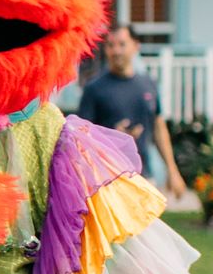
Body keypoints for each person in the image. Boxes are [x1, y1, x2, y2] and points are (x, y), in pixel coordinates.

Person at [78, 23, 187, 197]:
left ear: (136, 46)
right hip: (109, 181)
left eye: (122, 44)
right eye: (110, 45)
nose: (116, 51)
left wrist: (173, 171)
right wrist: (114, 136)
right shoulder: (94, 89)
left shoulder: (148, 84)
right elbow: (82, 137)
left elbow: (159, 126)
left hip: (145, 178)